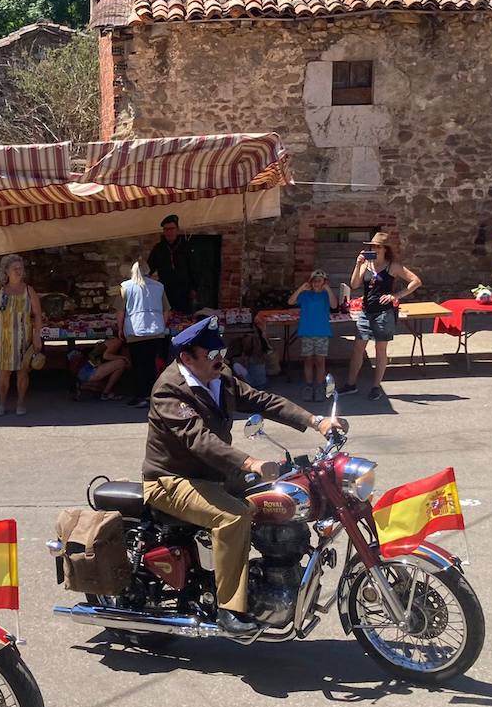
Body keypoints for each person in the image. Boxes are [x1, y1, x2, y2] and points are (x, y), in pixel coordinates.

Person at [141, 316, 348, 635]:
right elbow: (199, 439)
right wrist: (249, 462)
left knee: (282, 492)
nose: (219, 360)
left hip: (214, 472)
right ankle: (229, 609)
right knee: (234, 517)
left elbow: (263, 400)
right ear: (186, 358)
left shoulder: (218, 377)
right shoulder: (168, 390)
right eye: (211, 356)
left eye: (220, 353)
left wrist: (314, 420)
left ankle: (274, 574)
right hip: (171, 480)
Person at [342, 232, 422, 402]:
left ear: (385, 249)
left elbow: (415, 281)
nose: (374, 249)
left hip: (383, 313)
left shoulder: (392, 266)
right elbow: (354, 284)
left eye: (378, 246)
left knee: (380, 349)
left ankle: (376, 386)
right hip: (366, 311)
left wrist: (396, 296)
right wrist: (358, 265)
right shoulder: (366, 264)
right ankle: (351, 384)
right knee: (358, 347)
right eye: (372, 246)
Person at [0, 254, 43, 417]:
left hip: (23, 338)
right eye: (15, 269)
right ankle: (2, 403)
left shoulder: (28, 291)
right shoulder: (0, 291)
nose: (19, 272)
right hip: (4, 339)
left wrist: (37, 335)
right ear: (6, 271)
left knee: (22, 372)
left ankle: (20, 402)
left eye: (21, 268)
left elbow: (38, 314)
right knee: (3, 373)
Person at [117, 260, 171, 408]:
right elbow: (166, 311)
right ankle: (151, 395)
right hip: (155, 330)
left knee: (138, 365)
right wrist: (162, 325)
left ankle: (140, 395)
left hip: (136, 330)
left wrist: (120, 329)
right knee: (151, 364)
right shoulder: (159, 287)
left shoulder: (125, 287)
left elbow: (121, 312)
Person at [288, 269, 338, 402]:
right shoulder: (305, 295)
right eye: (314, 281)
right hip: (307, 332)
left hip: (322, 332)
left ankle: (320, 386)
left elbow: (334, 305)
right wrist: (301, 289)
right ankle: (309, 386)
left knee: (320, 361)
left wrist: (328, 289)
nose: (316, 283)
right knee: (308, 360)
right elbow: (290, 302)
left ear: (324, 282)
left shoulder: (326, 295)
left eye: (319, 281)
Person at [147, 214, 195, 314]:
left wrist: (194, 288)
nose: (169, 232)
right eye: (166, 229)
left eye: (171, 229)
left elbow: (194, 269)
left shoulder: (186, 247)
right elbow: (149, 267)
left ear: (177, 229)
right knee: (166, 316)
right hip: (165, 290)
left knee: (184, 317)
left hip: (184, 290)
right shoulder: (158, 248)